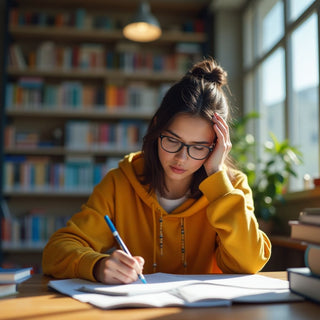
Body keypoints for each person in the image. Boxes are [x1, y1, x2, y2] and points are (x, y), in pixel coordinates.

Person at [42, 58, 271, 284]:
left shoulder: (230, 187)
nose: (181, 158)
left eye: (199, 147)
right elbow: (56, 252)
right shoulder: (119, 182)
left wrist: (217, 179)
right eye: (172, 140)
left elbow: (249, 262)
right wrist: (97, 265)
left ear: (217, 147)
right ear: (156, 129)